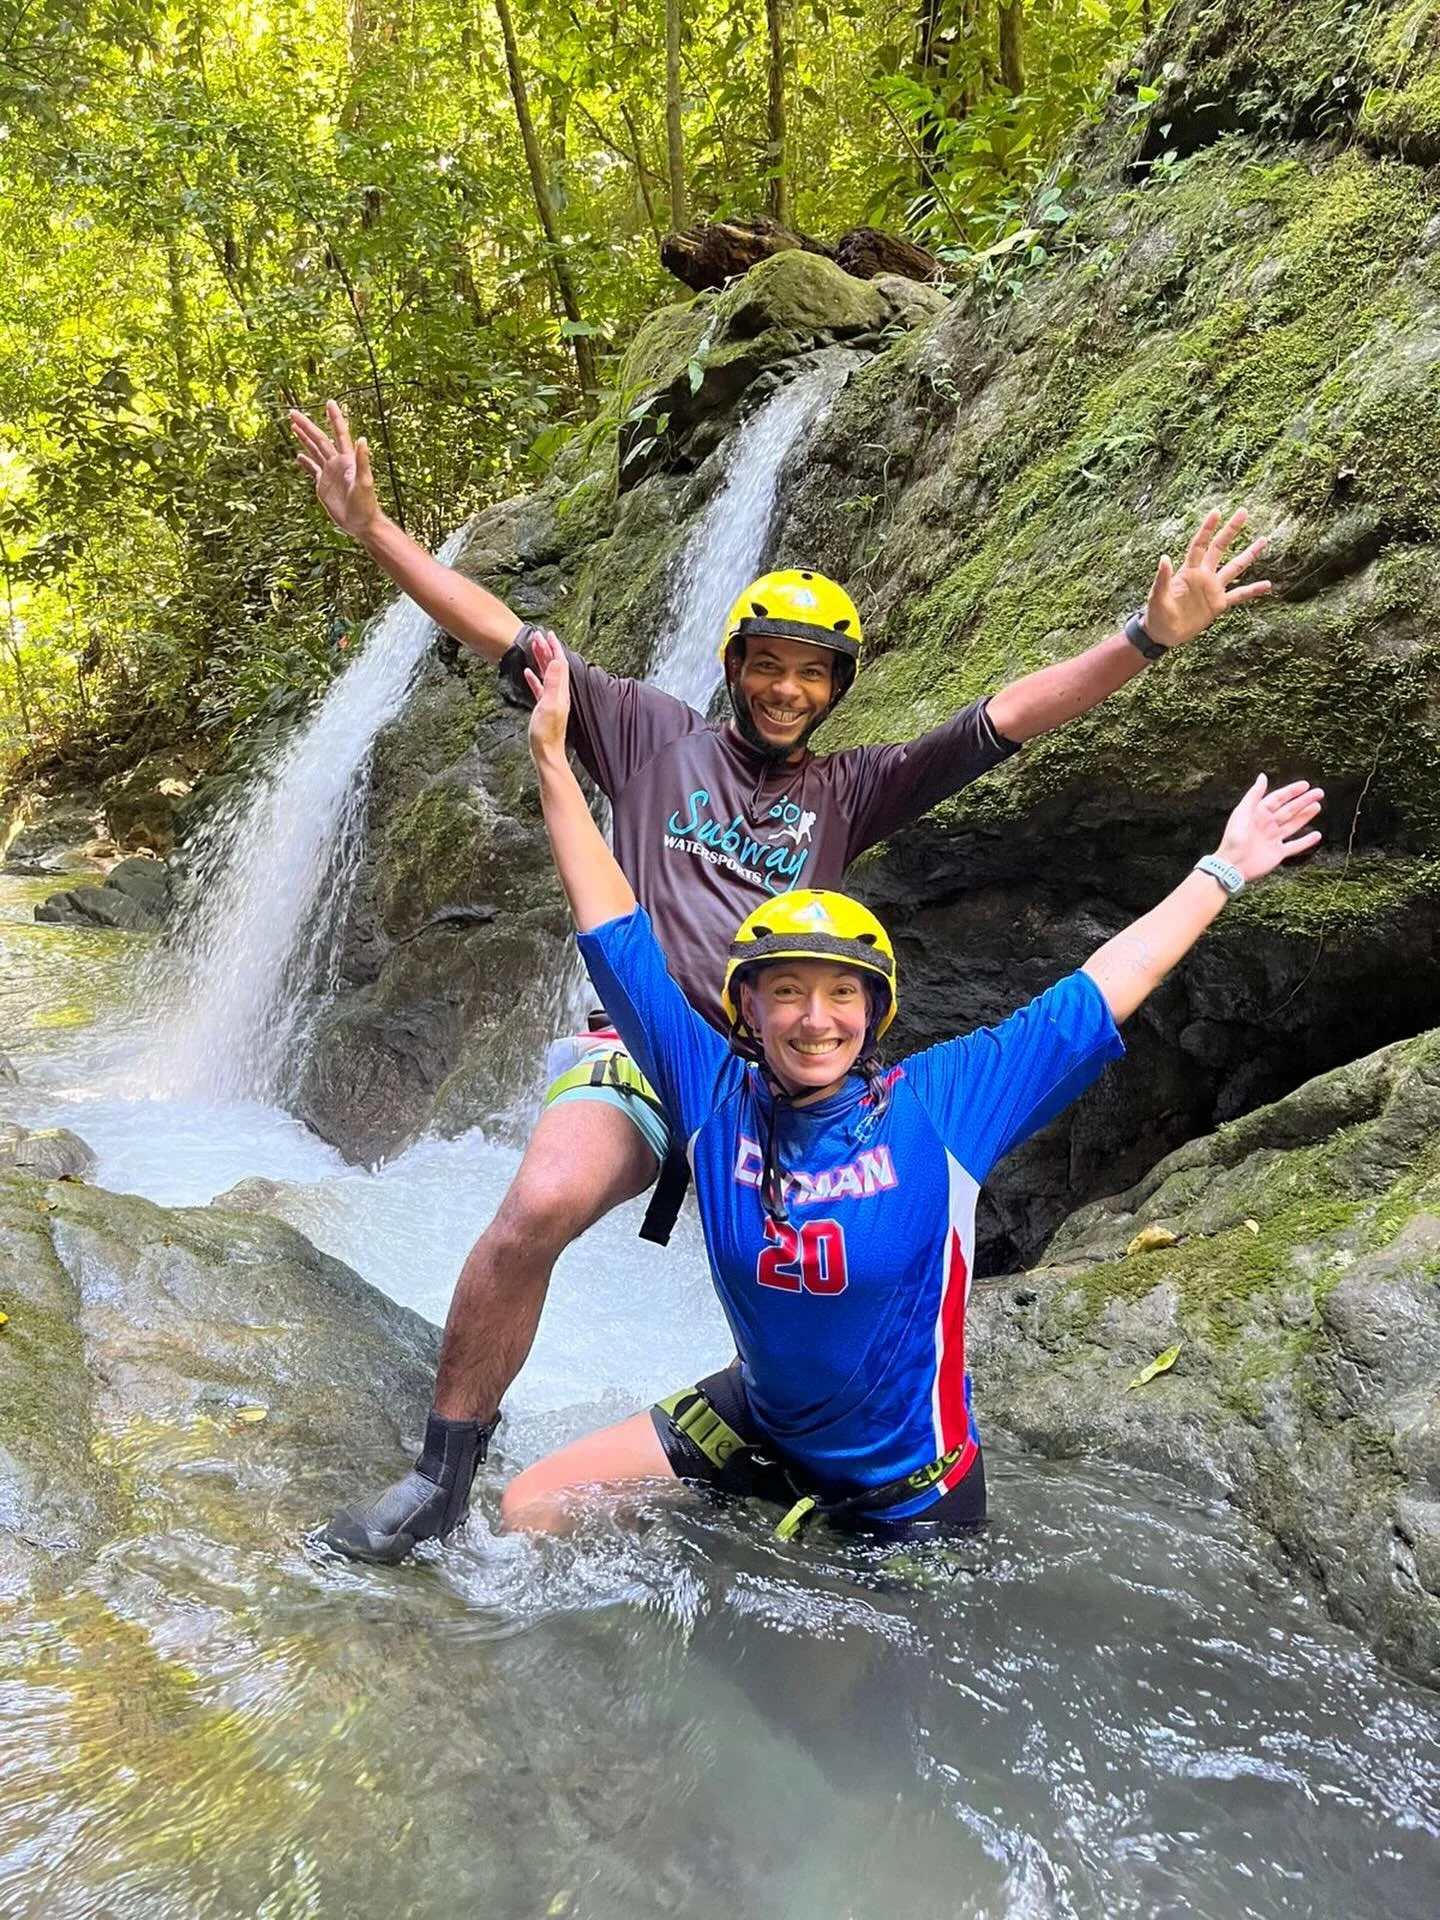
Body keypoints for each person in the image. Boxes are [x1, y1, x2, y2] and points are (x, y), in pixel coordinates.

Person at [290, 400, 1274, 1562]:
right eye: (769, 665)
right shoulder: (648, 733)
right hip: (649, 1049)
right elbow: (507, 635)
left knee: (828, 1275)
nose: (788, 689)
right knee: (539, 1208)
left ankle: (801, 1474)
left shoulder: (850, 792)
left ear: (836, 687)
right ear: (737, 667)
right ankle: (439, 1475)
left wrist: (1146, 642)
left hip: (783, 1082)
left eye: (813, 673)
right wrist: (375, 529)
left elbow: (1000, 723)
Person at [501, 637, 1324, 1537]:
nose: (814, 1019)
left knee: (794, 1681)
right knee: (532, 1503)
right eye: (786, 992)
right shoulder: (709, 1090)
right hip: (760, 1426)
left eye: (839, 994)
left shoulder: (943, 1103)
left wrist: (1223, 869)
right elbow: (616, 926)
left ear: (875, 1013)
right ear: (747, 1009)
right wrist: (551, 759)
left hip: (903, 1491)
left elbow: (1097, 990)